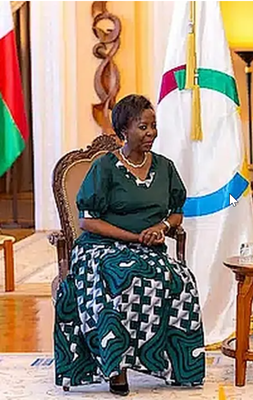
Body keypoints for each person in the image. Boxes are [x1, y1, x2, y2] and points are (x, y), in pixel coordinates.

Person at [53, 94, 205, 396]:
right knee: (120, 276)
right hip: (100, 248)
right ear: (124, 130)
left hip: (148, 248)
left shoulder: (165, 167)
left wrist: (161, 228)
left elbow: (176, 212)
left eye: (153, 126)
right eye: (143, 127)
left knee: (180, 280)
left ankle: (177, 365)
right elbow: (88, 221)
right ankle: (116, 368)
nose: (150, 133)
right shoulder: (105, 168)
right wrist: (135, 237)